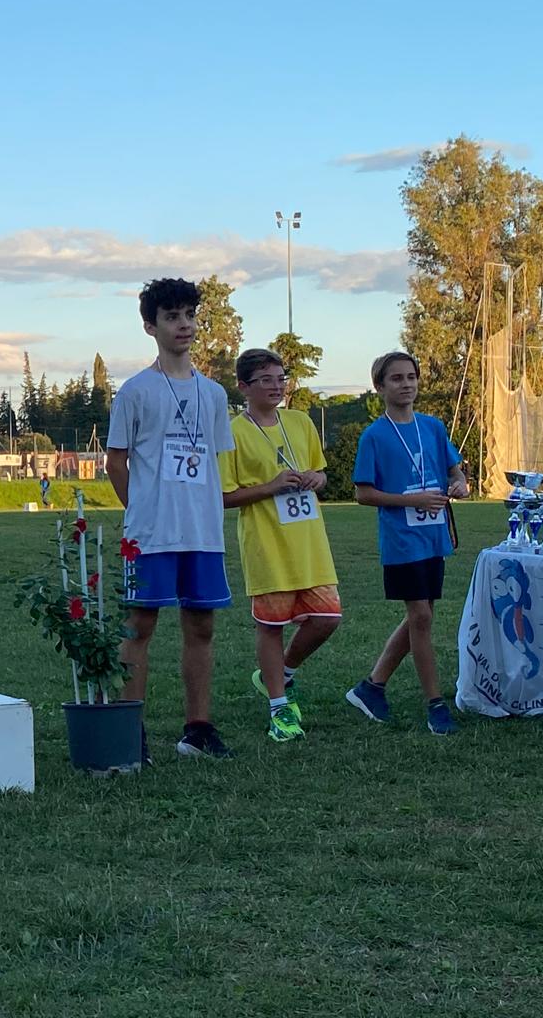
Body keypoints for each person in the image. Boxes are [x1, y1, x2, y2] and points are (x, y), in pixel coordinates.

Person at [106, 278, 235, 760]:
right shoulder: (135, 391)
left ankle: (198, 729)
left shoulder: (214, 394)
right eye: (172, 316)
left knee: (201, 626)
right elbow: (115, 462)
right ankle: (128, 730)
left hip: (202, 531)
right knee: (139, 626)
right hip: (151, 534)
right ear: (150, 326)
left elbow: (213, 461)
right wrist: (140, 510)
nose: (184, 325)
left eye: (190, 315)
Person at [219, 348, 340, 743]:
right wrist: (270, 487)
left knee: (328, 618)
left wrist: (317, 479)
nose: (276, 386)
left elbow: (320, 472)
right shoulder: (233, 433)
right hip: (266, 542)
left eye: (280, 378)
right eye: (265, 380)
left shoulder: (300, 421)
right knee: (271, 626)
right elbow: (223, 495)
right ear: (243, 387)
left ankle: (282, 673)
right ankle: (279, 707)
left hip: (309, 541)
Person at [345, 351, 469, 734]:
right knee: (421, 617)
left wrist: (459, 484)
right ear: (380, 387)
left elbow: (455, 471)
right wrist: (410, 501)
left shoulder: (432, 427)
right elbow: (363, 493)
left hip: (434, 537)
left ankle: (371, 687)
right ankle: (435, 704)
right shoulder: (374, 435)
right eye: (396, 378)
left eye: (411, 377)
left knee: (422, 615)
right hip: (402, 540)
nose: (407, 384)